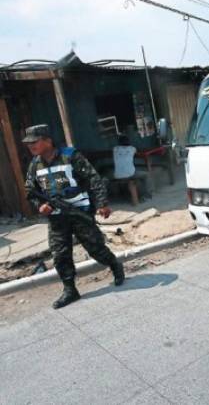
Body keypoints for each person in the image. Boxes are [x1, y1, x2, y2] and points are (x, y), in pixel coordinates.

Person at [23, 124, 125, 309]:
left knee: (95, 248)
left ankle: (115, 266)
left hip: (79, 211)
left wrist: (102, 203)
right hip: (56, 217)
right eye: (28, 144)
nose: (30, 146)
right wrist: (41, 206)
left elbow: (93, 179)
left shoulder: (70, 156)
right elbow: (30, 190)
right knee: (60, 254)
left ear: (48, 140)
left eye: (34, 142)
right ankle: (70, 290)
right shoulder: (34, 165)